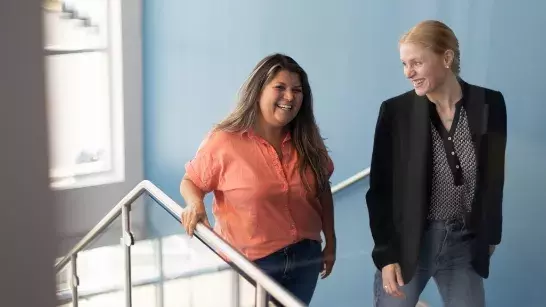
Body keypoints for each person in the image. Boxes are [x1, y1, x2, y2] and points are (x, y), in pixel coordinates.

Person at [366, 20, 507, 307]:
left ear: (446, 57)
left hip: (463, 244)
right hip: (410, 244)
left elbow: (494, 178)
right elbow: (380, 190)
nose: (409, 73)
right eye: (404, 64)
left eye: (416, 62)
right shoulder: (395, 112)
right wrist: (386, 255)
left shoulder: (490, 103)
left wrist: (491, 234)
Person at [179, 53, 336, 305]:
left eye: (297, 90)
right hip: (251, 264)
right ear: (259, 90)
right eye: (280, 87)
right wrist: (194, 203)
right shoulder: (224, 140)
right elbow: (191, 181)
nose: (290, 96)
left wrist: (331, 241)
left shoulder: (308, 139)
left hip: (306, 258)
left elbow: (322, 190)